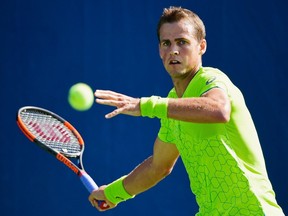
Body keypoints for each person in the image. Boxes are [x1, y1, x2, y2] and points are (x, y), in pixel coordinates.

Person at [89, 6, 284, 215]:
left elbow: (219, 109)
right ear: (160, 50)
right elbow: (158, 166)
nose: (173, 50)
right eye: (167, 43)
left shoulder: (211, 79)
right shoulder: (173, 103)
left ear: (201, 47)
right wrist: (112, 193)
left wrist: (146, 105)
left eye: (182, 42)